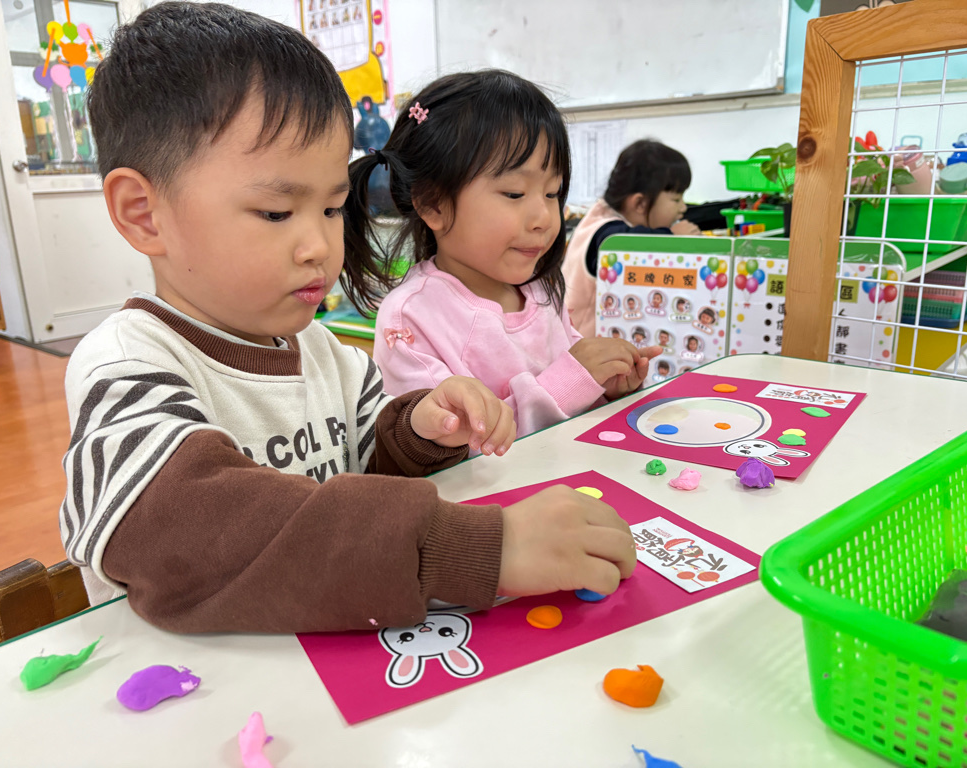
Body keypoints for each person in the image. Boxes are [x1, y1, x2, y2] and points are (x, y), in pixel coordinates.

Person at [60, 3, 636, 635]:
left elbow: (372, 460)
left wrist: (418, 430)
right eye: (277, 213)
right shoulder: (128, 363)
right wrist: (473, 548)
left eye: (333, 209)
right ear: (143, 213)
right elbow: (178, 528)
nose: (319, 247)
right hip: (191, 683)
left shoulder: (327, 354)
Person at [345, 70, 660, 439]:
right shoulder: (411, 318)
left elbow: (573, 384)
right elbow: (458, 446)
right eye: (514, 194)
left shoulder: (540, 288)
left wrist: (605, 385)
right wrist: (573, 380)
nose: (544, 218)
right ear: (433, 203)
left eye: (552, 193)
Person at [563, 141, 700, 336]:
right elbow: (628, 243)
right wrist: (671, 236)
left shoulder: (601, 216)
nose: (683, 208)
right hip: (579, 345)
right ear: (640, 203)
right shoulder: (606, 231)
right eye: (676, 199)